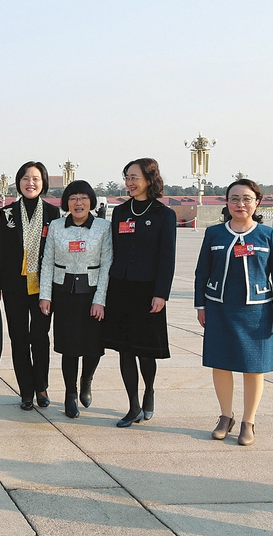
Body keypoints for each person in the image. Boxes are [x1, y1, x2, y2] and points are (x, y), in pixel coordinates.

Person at [196, 179, 273, 446]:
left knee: (254, 367)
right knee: (220, 363)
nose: (240, 204)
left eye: (247, 199)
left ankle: (249, 421)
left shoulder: (268, 235)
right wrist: (201, 306)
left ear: (257, 202)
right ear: (226, 202)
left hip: (257, 311)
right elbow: (202, 272)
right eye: (234, 198)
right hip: (219, 307)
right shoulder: (214, 233)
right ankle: (225, 417)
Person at [102, 158, 177, 427]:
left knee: (146, 351)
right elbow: (112, 251)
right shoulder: (120, 212)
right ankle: (133, 406)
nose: (129, 183)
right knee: (125, 350)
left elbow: (167, 258)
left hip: (148, 292)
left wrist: (161, 293)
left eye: (134, 177)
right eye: (127, 177)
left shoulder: (163, 214)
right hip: (120, 288)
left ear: (149, 179)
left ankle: (149, 392)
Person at [38, 181, 113, 419]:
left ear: (91, 201)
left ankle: (86, 380)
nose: (78, 203)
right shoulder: (56, 226)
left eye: (83, 198)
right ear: (66, 202)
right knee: (69, 348)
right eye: (72, 198)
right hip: (64, 293)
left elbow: (107, 264)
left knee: (93, 346)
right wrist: (45, 295)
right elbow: (47, 262)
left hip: (92, 293)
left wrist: (100, 299)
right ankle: (70, 394)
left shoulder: (103, 227)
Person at [0, 162, 60, 411]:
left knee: (40, 338)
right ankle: (26, 391)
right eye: (26, 178)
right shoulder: (8, 213)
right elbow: (0, 249)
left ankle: (41, 387)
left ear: (43, 183)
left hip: (43, 287)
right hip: (13, 285)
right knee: (18, 338)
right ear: (18, 182)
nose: (31, 183)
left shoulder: (53, 213)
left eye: (36, 178)